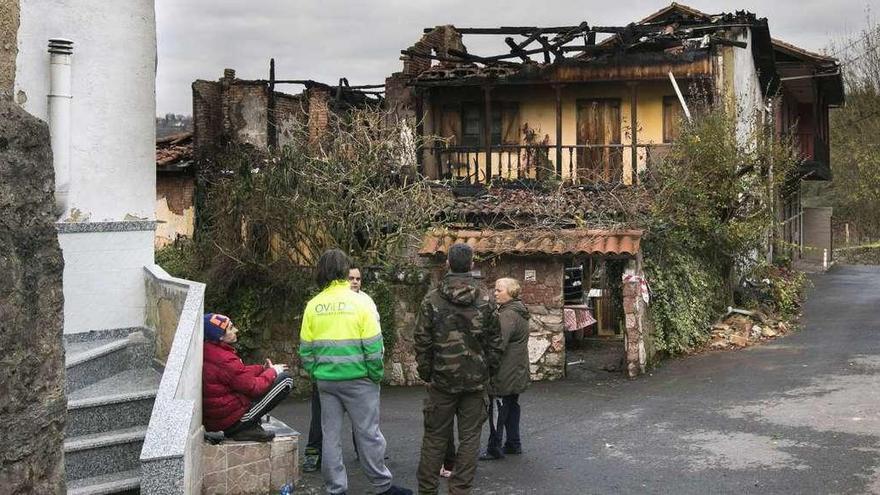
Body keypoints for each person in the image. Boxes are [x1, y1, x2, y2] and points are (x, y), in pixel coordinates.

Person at [299, 249, 411, 495]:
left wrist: (317, 372)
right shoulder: (361, 301)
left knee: (330, 437)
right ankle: (382, 486)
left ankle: (335, 488)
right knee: (368, 434)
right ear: (344, 270)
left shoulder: (313, 305)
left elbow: (306, 350)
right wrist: (375, 374)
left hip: (327, 382)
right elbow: (373, 346)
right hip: (360, 380)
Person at [414, 243, 503, 495]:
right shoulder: (485, 299)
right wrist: (488, 373)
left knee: (434, 439)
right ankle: (459, 490)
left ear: (448, 264)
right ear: (472, 265)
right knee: (470, 440)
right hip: (475, 383)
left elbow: (422, 340)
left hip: (441, 382)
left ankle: (428, 490)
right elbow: (495, 344)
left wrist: (427, 373)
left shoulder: (432, 298)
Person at [302, 266, 377, 472]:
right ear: (343, 279)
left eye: (358, 278)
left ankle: (362, 457)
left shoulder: (365, 302)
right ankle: (313, 453)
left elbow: (374, 338)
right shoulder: (325, 302)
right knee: (323, 423)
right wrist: (375, 373)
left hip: (345, 373)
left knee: (355, 425)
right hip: (336, 373)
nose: (354, 281)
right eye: (350, 277)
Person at [202, 313, 293, 442]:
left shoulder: (210, 351)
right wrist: (274, 371)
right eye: (230, 328)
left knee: (267, 379)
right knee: (286, 380)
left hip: (220, 419)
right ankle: (243, 428)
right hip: (232, 421)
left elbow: (238, 373)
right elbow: (254, 387)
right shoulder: (225, 359)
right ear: (220, 336)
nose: (236, 330)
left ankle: (246, 427)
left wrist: (262, 369)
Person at [480, 278, 531, 460]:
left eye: (499, 290)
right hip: (516, 370)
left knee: (498, 408)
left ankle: (494, 447)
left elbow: (498, 343)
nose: (495, 293)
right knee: (511, 406)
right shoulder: (519, 311)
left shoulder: (508, 315)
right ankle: (513, 443)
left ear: (510, 292)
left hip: (505, 371)